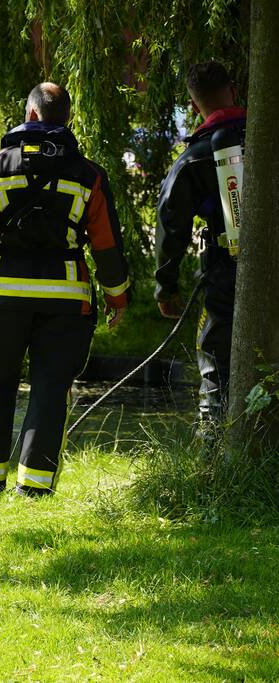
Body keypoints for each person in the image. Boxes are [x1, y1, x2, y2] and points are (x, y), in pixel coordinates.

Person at [0, 82, 131, 497]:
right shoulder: (89, 175)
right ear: (64, 119)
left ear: (31, 116)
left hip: (2, 295)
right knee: (51, 390)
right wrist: (117, 298)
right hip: (65, 301)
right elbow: (106, 246)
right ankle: (33, 488)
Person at [155, 61, 245, 435]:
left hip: (226, 268)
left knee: (216, 358)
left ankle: (213, 445)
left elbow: (170, 224)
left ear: (194, 106)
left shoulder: (194, 159)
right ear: (234, 91)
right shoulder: (266, 138)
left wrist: (166, 286)